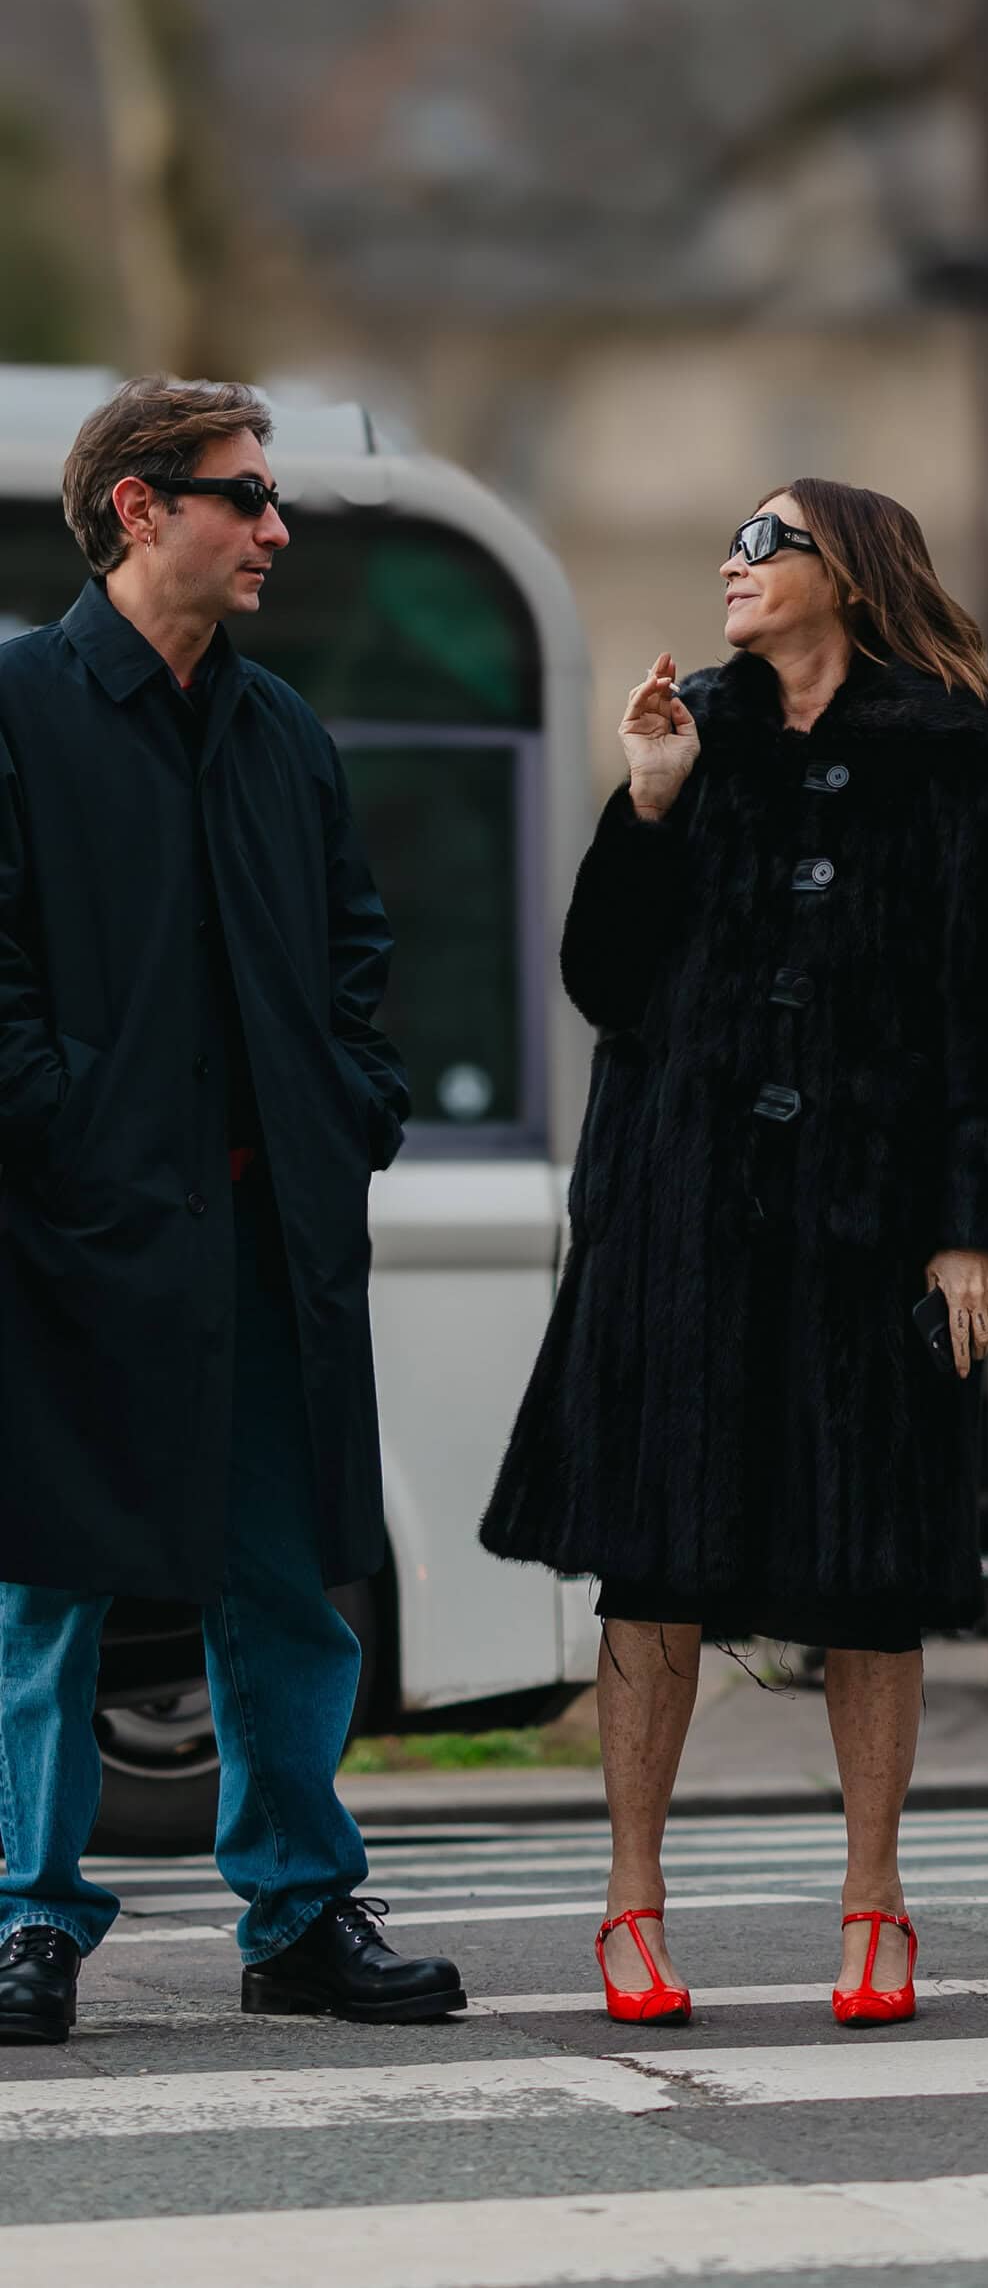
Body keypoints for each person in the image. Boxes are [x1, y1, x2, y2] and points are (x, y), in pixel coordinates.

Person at [482, 481, 988, 2028]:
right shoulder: (692, 736)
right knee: (649, 1560)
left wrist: (972, 1227)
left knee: (870, 1570)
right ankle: (629, 1904)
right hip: (678, 1205)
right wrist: (649, 798)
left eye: (764, 541)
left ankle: (876, 1905)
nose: (731, 562)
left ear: (849, 572)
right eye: (726, 540)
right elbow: (603, 975)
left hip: (872, 1222)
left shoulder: (951, 754)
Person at [0, 376, 464, 2047]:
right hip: (71, 1241)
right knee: (46, 1590)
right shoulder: (13, 706)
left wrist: (352, 1116)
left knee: (285, 1589)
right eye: (244, 497)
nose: (274, 530)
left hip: (274, 1246)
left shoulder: (282, 733)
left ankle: (301, 1915)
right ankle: (26, 1924)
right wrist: (69, 1143)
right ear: (140, 508)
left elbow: (355, 965)